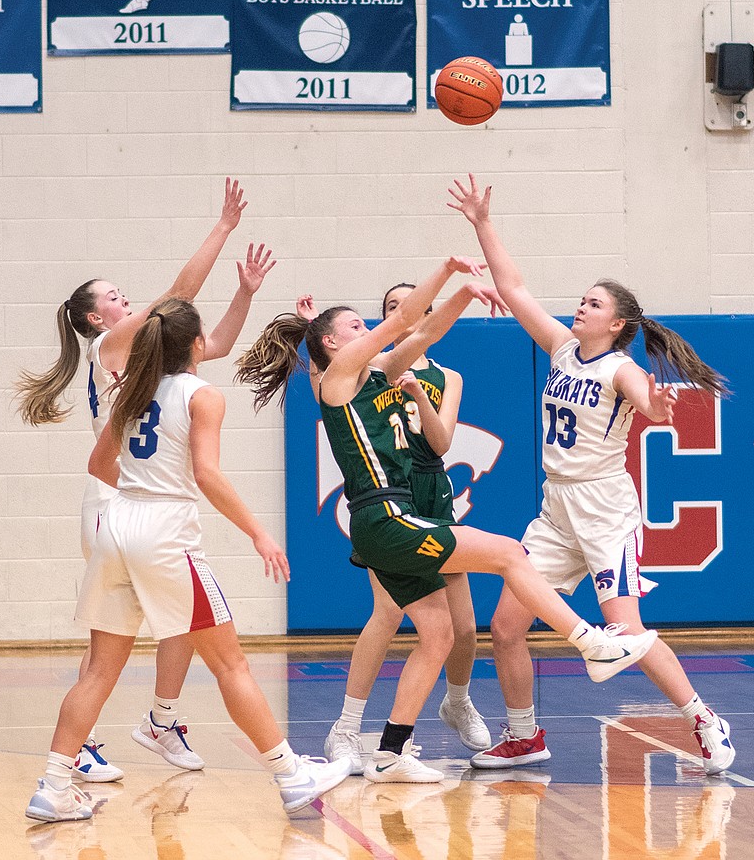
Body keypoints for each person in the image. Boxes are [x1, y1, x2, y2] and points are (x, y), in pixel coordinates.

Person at [235, 256, 657, 785]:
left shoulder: (380, 374)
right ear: (333, 346)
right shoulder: (340, 378)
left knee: (437, 635)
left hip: (402, 512)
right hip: (385, 514)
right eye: (354, 327)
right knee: (508, 554)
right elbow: (402, 321)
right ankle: (590, 643)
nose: (367, 331)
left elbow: (423, 329)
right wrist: (447, 269)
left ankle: (390, 753)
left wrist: (463, 295)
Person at [448, 174, 736, 775]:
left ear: (616, 325)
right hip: (557, 508)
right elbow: (515, 287)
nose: (580, 307)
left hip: (605, 509)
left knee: (625, 634)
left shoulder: (621, 369)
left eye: (593, 304)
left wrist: (656, 409)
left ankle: (704, 719)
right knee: (504, 627)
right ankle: (524, 735)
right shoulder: (559, 348)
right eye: (581, 299)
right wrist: (482, 223)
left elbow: (649, 403)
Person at [25, 298, 352, 823]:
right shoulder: (203, 394)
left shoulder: (128, 388)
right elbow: (207, 475)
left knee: (99, 672)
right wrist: (258, 532)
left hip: (117, 525)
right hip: (164, 536)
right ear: (197, 344)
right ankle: (292, 776)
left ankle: (53, 788)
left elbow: (97, 464)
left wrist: (139, 492)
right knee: (230, 663)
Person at [15, 179, 264, 782]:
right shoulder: (109, 346)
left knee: (170, 619)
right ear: (96, 318)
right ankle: (91, 742)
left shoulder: (153, 353)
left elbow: (219, 343)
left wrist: (245, 292)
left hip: (138, 499)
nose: (128, 302)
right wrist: (223, 227)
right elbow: (177, 295)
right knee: (114, 642)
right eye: (117, 297)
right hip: (117, 499)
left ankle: (160, 719)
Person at [300, 285, 491, 775]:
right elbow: (330, 385)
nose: (385, 319)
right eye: (380, 312)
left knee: (459, 627)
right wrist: (312, 335)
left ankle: (455, 703)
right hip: (387, 498)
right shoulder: (372, 368)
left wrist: (463, 292)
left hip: (430, 491)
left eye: (393, 312)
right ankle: (348, 729)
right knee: (387, 614)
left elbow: (442, 441)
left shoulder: (440, 374)